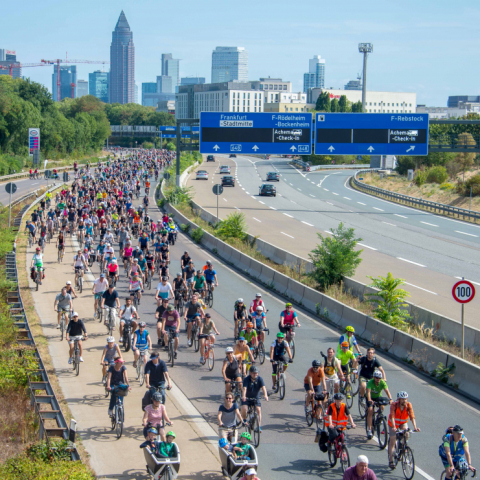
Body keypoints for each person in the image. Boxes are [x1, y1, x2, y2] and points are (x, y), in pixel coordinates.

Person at [387, 391, 420, 469]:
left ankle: (403, 447)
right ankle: (391, 460)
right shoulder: (394, 405)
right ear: (399, 400)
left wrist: (415, 427)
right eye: (402, 399)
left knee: (407, 433)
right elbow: (392, 417)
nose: (404, 401)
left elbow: (412, 416)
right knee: (392, 441)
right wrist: (394, 427)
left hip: (403, 423)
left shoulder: (408, 405)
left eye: (405, 399)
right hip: (393, 423)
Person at [366, 370, 393, 440]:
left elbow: (387, 391)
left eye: (379, 378)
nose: (378, 380)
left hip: (378, 397)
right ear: (374, 377)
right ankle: (369, 430)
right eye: (376, 378)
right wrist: (369, 400)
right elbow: (368, 392)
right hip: (370, 397)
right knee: (370, 410)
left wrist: (390, 399)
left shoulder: (382, 382)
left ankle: (379, 417)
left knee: (382, 406)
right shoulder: (370, 382)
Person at [241, 366, 268, 431]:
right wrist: (244, 396)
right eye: (254, 373)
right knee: (244, 408)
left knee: (258, 410)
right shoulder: (246, 379)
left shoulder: (260, 379)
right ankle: (244, 420)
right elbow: (244, 388)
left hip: (255, 398)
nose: (255, 374)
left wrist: (265, 395)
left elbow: (263, 387)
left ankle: (259, 427)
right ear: (250, 373)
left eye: (256, 373)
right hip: (247, 398)